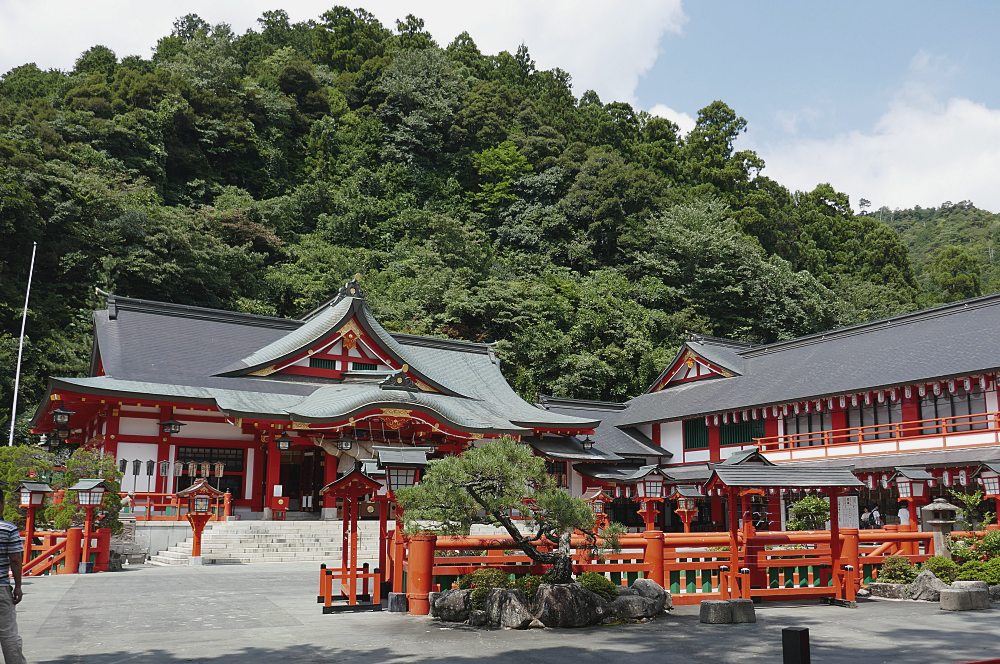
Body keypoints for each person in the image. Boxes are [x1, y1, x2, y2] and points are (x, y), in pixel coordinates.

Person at [0, 509, 26, 664]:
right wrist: (18, 586)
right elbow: (15, 559)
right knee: (8, 634)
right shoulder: (8, 529)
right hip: (1, 587)